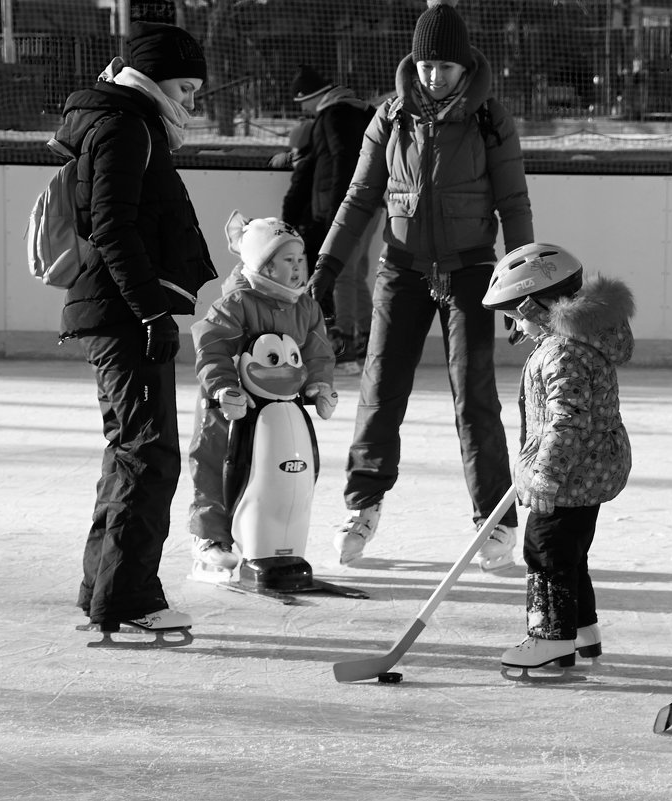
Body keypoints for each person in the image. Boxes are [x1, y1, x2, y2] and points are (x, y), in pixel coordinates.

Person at [306, 0, 534, 569]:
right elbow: (359, 197)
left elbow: (513, 202)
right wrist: (326, 268)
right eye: (427, 63)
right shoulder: (390, 117)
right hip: (401, 269)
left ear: (465, 66)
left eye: (446, 67)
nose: (435, 75)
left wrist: (522, 285)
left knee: (474, 396)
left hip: (472, 271)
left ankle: (495, 519)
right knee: (380, 390)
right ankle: (363, 504)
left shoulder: (490, 119)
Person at [56, 22, 217, 632]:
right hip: (124, 314)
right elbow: (112, 226)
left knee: (132, 453)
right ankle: (128, 600)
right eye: (185, 86)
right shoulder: (126, 126)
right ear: (152, 78)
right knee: (148, 458)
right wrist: (150, 310)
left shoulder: (128, 121)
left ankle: (104, 589)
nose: (193, 101)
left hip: (117, 310)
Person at [481, 244, 635, 673]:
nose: (515, 325)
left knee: (545, 551)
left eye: (516, 315)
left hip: (569, 473)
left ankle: (550, 637)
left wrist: (546, 472)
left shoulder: (563, 350)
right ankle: (582, 629)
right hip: (590, 468)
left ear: (537, 303)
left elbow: (567, 419)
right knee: (571, 553)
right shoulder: (575, 339)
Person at [187, 214, 336, 574]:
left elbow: (318, 352)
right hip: (231, 407)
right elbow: (212, 348)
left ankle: (271, 536)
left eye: (301, 260)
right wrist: (222, 387)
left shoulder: (306, 307)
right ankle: (210, 537)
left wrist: (319, 384)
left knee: (283, 469)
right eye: (288, 261)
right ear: (265, 267)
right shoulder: (236, 303)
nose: (299, 269)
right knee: (217, 463)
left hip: (281, 408)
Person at [280, 64, 378, 376]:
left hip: (350, 206)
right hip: (369, 203)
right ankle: (370, 338)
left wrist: (339, 209)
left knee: (345, 274)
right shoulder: (353, 111)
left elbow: (342, 160)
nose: (304, 110)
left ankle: (347, 344)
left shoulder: (335, 115)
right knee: (356, 272)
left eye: (302, 103)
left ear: (310, 97)